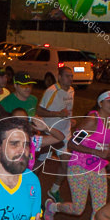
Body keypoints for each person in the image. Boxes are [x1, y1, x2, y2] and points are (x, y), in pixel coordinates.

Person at [44, 91, 110, 220]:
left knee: (100, 208)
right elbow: (72, 143)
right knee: (78, 209)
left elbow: (102, 143)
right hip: (79, 167)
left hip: (98, 168)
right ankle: (52, 207)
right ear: (100, 103)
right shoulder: (92, 121)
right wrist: (97, 151)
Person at [37, 67, 75, 201]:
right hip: (49, 132)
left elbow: (68, 110)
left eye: (71, 76)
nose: (70, 79)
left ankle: (54, 190)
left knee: (66, 163)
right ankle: (29, 185)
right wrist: (57, 114)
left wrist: (71, 119)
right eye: (67, 76)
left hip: (65, 133)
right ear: (59, 77)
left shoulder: (72, 91)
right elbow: (39, 111)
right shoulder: (51, 91)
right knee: (40, 164)